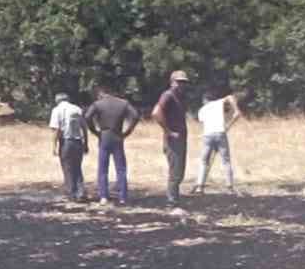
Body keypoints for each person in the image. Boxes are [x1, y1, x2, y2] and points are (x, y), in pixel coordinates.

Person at [84, 84, 140, 206]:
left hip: (104, 135)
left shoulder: (98, 104)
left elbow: (87, 117)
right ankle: (123, 197)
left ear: (101, 93)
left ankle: (104, 196)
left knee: (103, 168)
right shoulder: (123, 103)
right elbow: (135, 116)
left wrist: (95, 131)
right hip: (118, 135)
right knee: (121, 168)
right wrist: (128, 131)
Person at [150, 70, 192, 206]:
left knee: (179, 171)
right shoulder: (168, 95)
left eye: (184, 82)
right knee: (175, 171)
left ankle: (174, 197)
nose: (182, 85)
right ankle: (171, 201)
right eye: (179, 82)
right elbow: (156, 113)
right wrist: (169, 131)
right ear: (172, 82)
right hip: (173, 140)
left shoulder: (180, 97)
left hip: (181, 139)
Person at [193, 88, 244, 194]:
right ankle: (230, 186)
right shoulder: (219, 103)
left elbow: (203, 123)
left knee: (204, 161)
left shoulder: (201, 110)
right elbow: (230, 97)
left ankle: (199, 186)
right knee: (226, 160)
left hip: (207, 135)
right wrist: (235, 112)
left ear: (205, 99)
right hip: (220, 133)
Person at [48, 93, 88, 202]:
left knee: (67, 168)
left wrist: (54, 146)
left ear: (57, 100)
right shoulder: (77, 109)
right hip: (78, 141)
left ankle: (72, 193)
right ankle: (81, 191)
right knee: (77, 167)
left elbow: (56, 129)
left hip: (66, 142)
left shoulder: (56, 110)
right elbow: (84, 128)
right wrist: (86, 143)